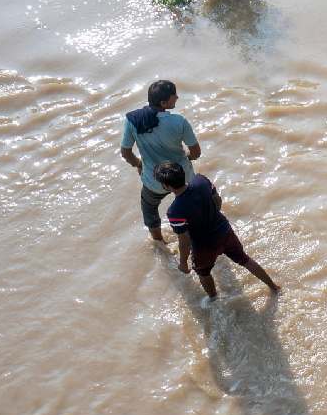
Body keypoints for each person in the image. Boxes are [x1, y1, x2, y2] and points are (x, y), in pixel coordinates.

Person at [155, 161, 279, 298]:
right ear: (183, 173)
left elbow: (184, 241)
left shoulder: (174, 211)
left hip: (203, 246)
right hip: (224, 231)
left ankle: (213, 299)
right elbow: (217, 200)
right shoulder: (201, 181)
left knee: (203, 273)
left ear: (167, 186)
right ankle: (273, 286)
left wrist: (183, 263)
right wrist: (212, 215)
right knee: (245, 260)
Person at [119, 80, 201, 242]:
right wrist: (187, 158)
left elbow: (125, 152)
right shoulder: (179, 121)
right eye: (174, 96)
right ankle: (195, 238)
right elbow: (196, 152)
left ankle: (159, 242)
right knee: (192, 207)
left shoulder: (133, 120)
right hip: (182, 177)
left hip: (154, 180)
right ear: (164, 102)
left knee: (149, 209)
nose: (177, 97)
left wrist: (138, 164)